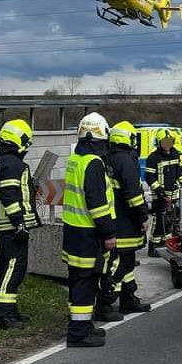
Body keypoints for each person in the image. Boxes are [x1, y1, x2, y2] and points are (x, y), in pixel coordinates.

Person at [62, 112, 117, 348]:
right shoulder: (94, 163)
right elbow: (97, 203)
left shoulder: (76, 158)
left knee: (78, 280)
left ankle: (82, 326)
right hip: (88, 233)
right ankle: (78, 334)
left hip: (73, 230)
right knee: (85, 283)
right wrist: (109, 233)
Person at [97, 121, 151, 319]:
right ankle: (104, 303)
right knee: (121, 263)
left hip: (113, 220)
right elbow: (133, 194)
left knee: (125, 261)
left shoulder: (107, 158)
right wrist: (143, 216)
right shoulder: (126, 160)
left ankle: (128, 299)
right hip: (126, 222)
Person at [0, 119, 43, 330]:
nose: (27, 147)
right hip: (13, 227)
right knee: (13, 269)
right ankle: (3, 315)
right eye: (26, 141)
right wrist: (19, 223)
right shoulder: (12, 164)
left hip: (9, 226)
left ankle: (10, 311)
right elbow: (9, 195)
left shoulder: (2, 162)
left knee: (10, 268)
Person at [145, 129, 182, 257]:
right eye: (165, 142)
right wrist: (161, 193)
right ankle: (153, 247)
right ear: (159, 142)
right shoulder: (153, 158)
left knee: (170, 221)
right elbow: (149, 177)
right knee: (159, 221)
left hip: (173, 195)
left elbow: (179, 172)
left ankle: (165, 245)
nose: (168, 144)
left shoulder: (175, 154)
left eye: (170, 141)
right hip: (160, 196)